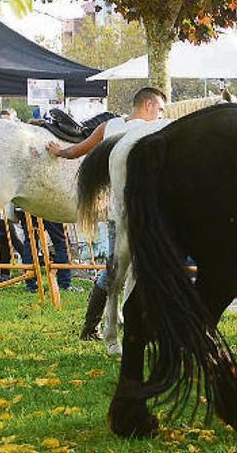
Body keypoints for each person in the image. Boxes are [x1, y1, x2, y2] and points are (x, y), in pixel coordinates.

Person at [46, 87, 167, 341]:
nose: (161, 114)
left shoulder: (109, 126)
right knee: (115, 269)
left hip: (116, 211)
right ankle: (90, 327)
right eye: (161, 109)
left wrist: (59, 152)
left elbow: (79, 150)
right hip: (133, 213)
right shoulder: (153, 130)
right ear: (149, 105)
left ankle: (123, 321)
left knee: (121, 268)